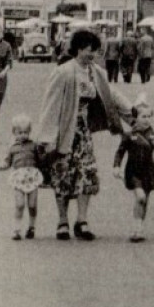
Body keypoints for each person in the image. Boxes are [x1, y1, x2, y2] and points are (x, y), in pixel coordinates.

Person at [32, 27, 127, 240]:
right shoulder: (63, 71)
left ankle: (82, 221)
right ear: (77, 49)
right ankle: (62, 221)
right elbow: (51, 105)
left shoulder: (97, 73)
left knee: (87, 174)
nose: (90, 54)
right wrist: (47, 137)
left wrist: (133, 114)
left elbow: (112, 96)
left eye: (93, 50)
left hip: (84, 134)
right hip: (65, 131)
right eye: (86, 49)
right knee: (63, 175)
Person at [113, 95, 154, 242]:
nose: (147, 119)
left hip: (148, 171)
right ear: (136, 117)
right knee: (140, 197)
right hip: (134, 171)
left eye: (149, 116)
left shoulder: (152, 134)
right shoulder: (129, 135)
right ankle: (136, 227)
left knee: (144, 200)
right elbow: (120, 152)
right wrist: (116, 166)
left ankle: (139, 228)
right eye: (143, 116)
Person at [0, 114, 42, 239]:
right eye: (20, 132)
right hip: (18, 178)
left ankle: (32, 227)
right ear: (14, 133)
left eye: (26, 132)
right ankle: (17, 229)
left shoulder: (34, 146)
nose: (23, 135)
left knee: (32, 205)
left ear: (29, 132)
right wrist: (3, 165)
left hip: (32, 177)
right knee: (20, 204)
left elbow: (40, 160)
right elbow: (7, 161)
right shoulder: (12, 148)